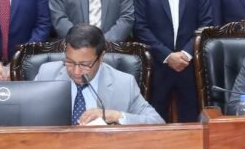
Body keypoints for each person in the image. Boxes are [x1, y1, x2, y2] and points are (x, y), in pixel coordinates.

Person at [133, 0, 213, 122]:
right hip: (157, 66)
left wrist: (185, 54)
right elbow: (140, 27)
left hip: (190, 66)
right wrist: (168, 56)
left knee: (192, 123)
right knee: (154, 122)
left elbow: (206, 22)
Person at [34, 23, 164, 125]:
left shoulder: (124, 83)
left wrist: (116, 116)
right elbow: (27, 115)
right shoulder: (47, 74)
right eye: (70, 62)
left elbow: (157, 122)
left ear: (101, 57)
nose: (76, 71)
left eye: (85, 64)